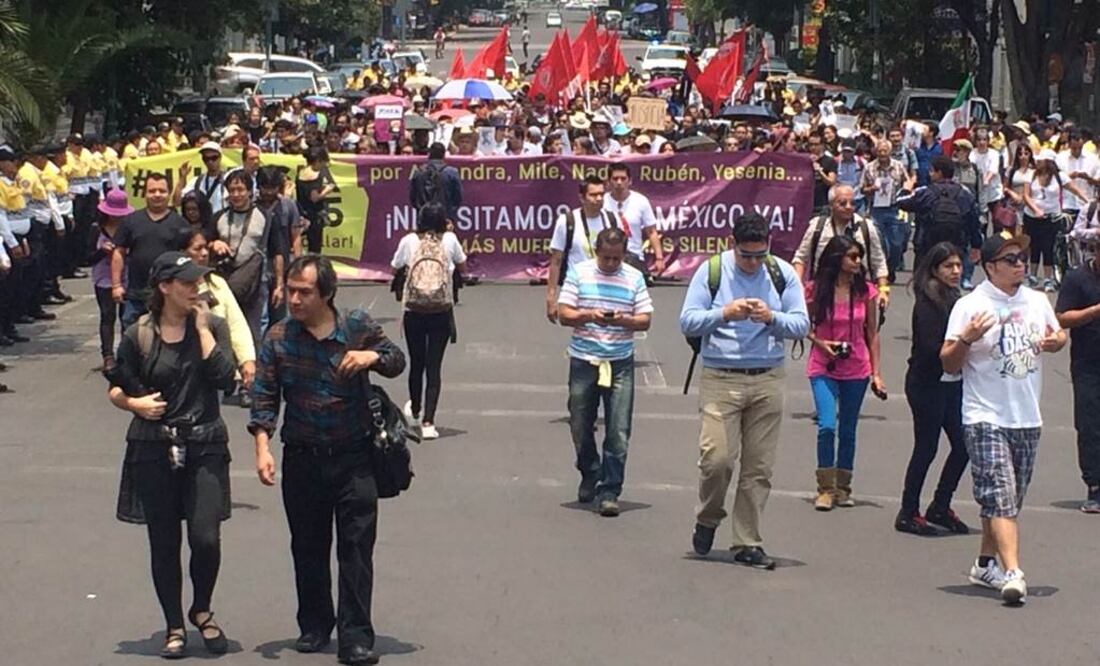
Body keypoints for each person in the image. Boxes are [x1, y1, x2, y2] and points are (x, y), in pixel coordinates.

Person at [249, 254, 405, 665]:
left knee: (355, 549)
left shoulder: (356, 327)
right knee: (308, 546)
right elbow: (264, 396)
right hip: (302, 457)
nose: (295, 299)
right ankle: (316, 624)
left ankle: (355, 636)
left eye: (305, 292)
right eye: (292, 291)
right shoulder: (279, 338)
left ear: (327, 294)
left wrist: (371, 358)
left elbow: (396, 359)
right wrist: (262, 447)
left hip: (354, 457)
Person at [106, 251, 237, 659]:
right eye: (187, 282)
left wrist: (202, 329)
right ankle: (174, 624)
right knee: (163, 542)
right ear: (164, 287)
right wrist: (134, 405)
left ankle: (201, 607)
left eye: (199, 281)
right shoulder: (139, 333)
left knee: (205, 537)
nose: (196, 288)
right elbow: (115, 388)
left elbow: (225, 380)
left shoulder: (212, 325)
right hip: (153, 446)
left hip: (205, 444)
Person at [941, 231, 1067, 605]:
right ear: (990, 267)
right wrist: (966, 339)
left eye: (1021, 258)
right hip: (985, 415)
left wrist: (1057, 340)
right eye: (1010, 260)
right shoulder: (970, 305)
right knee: (1000, 495)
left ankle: (984, 563)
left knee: (1007, 501)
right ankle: (1013, 572)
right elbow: (947, 361)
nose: (1019, 265)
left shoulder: (1037, 300)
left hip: (1026, 416)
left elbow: (1056, 333)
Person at [679, 213, 810, 568]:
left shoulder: (780, 273)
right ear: (731, 243)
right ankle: (708, 517)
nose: (753, 263)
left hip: (767, 376)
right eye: (746, 255)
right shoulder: (712, 271)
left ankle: (747, 540)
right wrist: (724, 313)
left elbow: (801, 323)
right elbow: (687, 319)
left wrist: (773, 318)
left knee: (758, 468)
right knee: (717, 461)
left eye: (759, 254)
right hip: (721, 376)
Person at [556, 227, 653, 517]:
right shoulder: (579, 273)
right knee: (579, 421)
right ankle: (589, 469)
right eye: (606, 258)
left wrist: (623, 321)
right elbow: (564, 314)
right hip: (585, 359)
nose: (611, 264)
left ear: (624, 255)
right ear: (596, 252)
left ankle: (610, 489)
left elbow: (645, 319)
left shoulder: (634, 277)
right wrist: (589, 315)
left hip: (620, 360)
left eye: (616, 258)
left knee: (619, 429)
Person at [804, 235, 883, 511]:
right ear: (837, 258)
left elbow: (872, 333)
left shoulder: (867, 291)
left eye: (859, 257)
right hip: (822, 364)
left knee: (848, 429)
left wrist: (877, 373)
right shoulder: (815, 290)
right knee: (827, 425)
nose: (857, 262)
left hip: (856, 366)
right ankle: (825, 487)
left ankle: (843, 486)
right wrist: (822, 344)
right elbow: (803, 325)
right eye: (852, 257)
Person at [896, 243, 970, 535]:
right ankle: (908, 511)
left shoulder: (955, 297)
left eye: (958, 265)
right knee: (926, 447)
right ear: (935, 269)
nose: (955, 271)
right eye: (948, 266)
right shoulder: (928, 301)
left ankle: (940, 504)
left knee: (963, 446)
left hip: (951, 383)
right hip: (926, 383)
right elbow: (930, 347)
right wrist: (966, 341)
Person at [390, 202, 466, 440]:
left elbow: (395, 267)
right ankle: (429, 422)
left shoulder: (409, 241)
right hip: (441, 311)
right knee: (434, 366)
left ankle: (414, 408)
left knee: (417, 362)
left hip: (414, 310)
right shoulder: (450, 240)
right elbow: (463, 265)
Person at [209, 170, 286, 356]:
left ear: (250, 192)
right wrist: (214, 243)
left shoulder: (266, 217)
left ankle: (254, 374)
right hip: (224, 282)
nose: (236, 194)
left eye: (240, 189)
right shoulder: (218, 217)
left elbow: (278, 252)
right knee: (223, 329)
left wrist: (280, 285)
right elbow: (202, 243)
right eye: (232, 190)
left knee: (254, 331)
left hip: (256, 283)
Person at [184, 229, 257, 407]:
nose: (204, 254)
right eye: (197, 249)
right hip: (182, 369)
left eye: (205, 249)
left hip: (215, 368)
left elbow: (236, 322)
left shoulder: (217, 283)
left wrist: (247, 359)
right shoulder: (173, 288)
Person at [1055, 238, 1100, 513]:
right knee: (1090, 425)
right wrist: (1094, 312)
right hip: (1088, 365)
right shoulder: (1078, 278)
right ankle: (1095, 486)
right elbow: (1061, 317)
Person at [111, 173, 191, 329]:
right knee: (131, 339)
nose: (157, 195)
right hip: (135, 295)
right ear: (144, 194)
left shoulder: (180, 223)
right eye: (152, 191)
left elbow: (187, 257)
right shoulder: (130, 221)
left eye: (162, 191)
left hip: (168, 296)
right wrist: (116, 285)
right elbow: (118, 252)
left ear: (168, 193)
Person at [792, 185, 891, 311]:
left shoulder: (866, 228)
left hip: (858, 294)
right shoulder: (817, 227)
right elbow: (800, 258)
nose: (849, 207)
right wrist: (798, 286)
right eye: (843, 203)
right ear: (831, 205)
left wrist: (883, 291)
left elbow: (879, 263)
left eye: (852, 203)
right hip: (823, 294)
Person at [897, 156, 983, 288]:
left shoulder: (925, 193)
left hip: (926, 248)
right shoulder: (965, 194)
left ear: (939, 173)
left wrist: (906, 188)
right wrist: (976, 245)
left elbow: (901, 201)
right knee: (951, 284)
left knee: (923, 285)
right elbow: (974, 222)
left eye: (932, 171)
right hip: (955, 247)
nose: (930, 174)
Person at [546, 175, 621, 323]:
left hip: (607, 284)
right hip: (578, 288)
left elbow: (619, 253)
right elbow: (556, 261)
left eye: (601, 194)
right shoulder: (567, 221)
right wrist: (551, 297)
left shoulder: (612, 219)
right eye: (593, 195)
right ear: (582, 197)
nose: (598, 198)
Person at [1022, 149, 1087, 291]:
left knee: (1048, 246)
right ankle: (1032, 275)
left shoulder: (1060, 177)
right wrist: (1036, 209)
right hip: (1032, 217)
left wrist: (1087, 201)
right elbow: (1026, 196)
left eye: (1041, 160)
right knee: (1033, 245)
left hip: (1052, 216)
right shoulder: (1031, 174)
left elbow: (1074, 189)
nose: (1037, 162)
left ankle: (1048, 278)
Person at [91, 190, 134, 371]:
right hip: (103, 279)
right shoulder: (96, 229)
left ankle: (126, 355)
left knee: (127, 317)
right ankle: (108, 355)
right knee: (107, 317)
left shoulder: (130, 228)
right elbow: (86, 258)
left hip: (127, 277)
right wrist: (103, 251)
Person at [861, 139, 913, 282]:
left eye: (885, 151)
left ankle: (891, 268)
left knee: (896, 244)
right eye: (880, 151)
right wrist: (871, 189)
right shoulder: (869, 168)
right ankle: (880, 273)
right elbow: (862, 188)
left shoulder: (898, 166)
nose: (882, 154)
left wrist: (907, 189)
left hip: (895, 209)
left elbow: (907, 182)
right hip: (876, 210)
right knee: (878, 243)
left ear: (890, 152)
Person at [603, 162, 665, 278]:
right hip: (607, 258)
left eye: (623, 178)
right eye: (615, 179)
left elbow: (651, 232)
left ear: (630, 181)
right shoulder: (602, 202)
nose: (619, 182)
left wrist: (659, 258)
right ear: (609, 181)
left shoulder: (641, 201)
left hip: (634, 258)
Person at [409, 143, 463, 223]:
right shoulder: (452, 173)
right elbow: (458, 198)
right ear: (444, 154)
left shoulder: (418, 172)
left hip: (424, 220)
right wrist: (449, 213)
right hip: (445, 218)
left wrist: (421, 210)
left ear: (429, 154)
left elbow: (413, 198)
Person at [296, 146, 335, 254]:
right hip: (314, 216)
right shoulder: (314, 176)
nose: (323, 166)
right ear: (318, 161)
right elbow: (314, 198)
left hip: (302, 213)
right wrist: (325, 192)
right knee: (315, 247)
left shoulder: (301, 172)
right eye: (323, 163)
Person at [1056, 129, 1099, 223]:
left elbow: (1098, 180)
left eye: (1079, 148)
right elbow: (1055, 180)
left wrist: (1088, 178)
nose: (1077, 151)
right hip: (1066, 203)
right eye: (1074, 148)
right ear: (1069, 145)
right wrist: (1069, 177)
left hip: (1086, 202)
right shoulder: (1060, 158)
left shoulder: (1092, 158)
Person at [174, 142, 227, 213]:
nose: (210, 162)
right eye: (206, 159)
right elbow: (177, 202)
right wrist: (182, 178)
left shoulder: (228, 179)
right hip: (203, 222)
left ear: (220, 157)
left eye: (214, 158)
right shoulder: (197, 181)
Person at [808, 132, 838, 214]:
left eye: (816, 144)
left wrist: (819, 171)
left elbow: (831, 182)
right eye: (810, 144)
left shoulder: (829, 161)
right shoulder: (805, 160)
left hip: (822, 205)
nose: (813, 147)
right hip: (806, 203)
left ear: (822, 145)